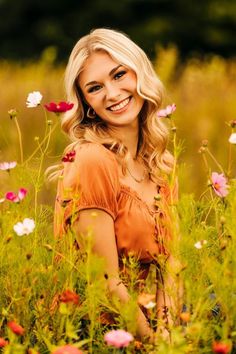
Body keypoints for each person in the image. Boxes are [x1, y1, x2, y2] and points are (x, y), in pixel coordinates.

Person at [53, 28, 178, 342]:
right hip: (94, 331)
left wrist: (169, 333)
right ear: (87, 103)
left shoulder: (162, 164)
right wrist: (152, 343)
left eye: (119, 75)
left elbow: (171, 266)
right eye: (95, 88)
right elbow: (105, 282)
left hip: (149, 324)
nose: (112, 93)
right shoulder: (91, 160)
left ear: (139, 73)